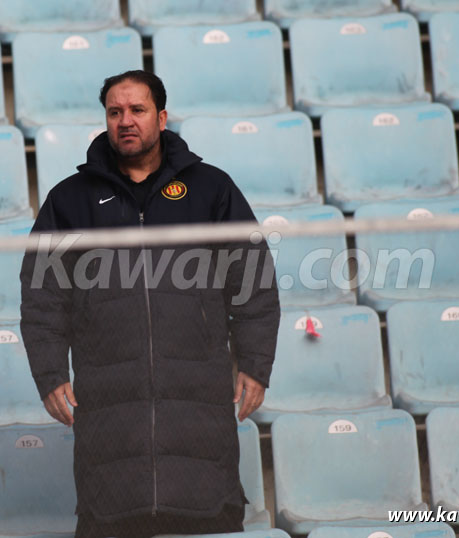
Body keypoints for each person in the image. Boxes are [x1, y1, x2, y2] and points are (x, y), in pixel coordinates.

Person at [20, 70, 280, 538]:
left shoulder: (212, 189)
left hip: (199, 400)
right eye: (115, 112)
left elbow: (254, 280)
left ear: (161, 117)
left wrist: (256, 363)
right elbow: (42, 297)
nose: (125, 121)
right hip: (109, 406)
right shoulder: (69, 200)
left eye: (137, 110)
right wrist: (50, 373)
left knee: (206, 517)